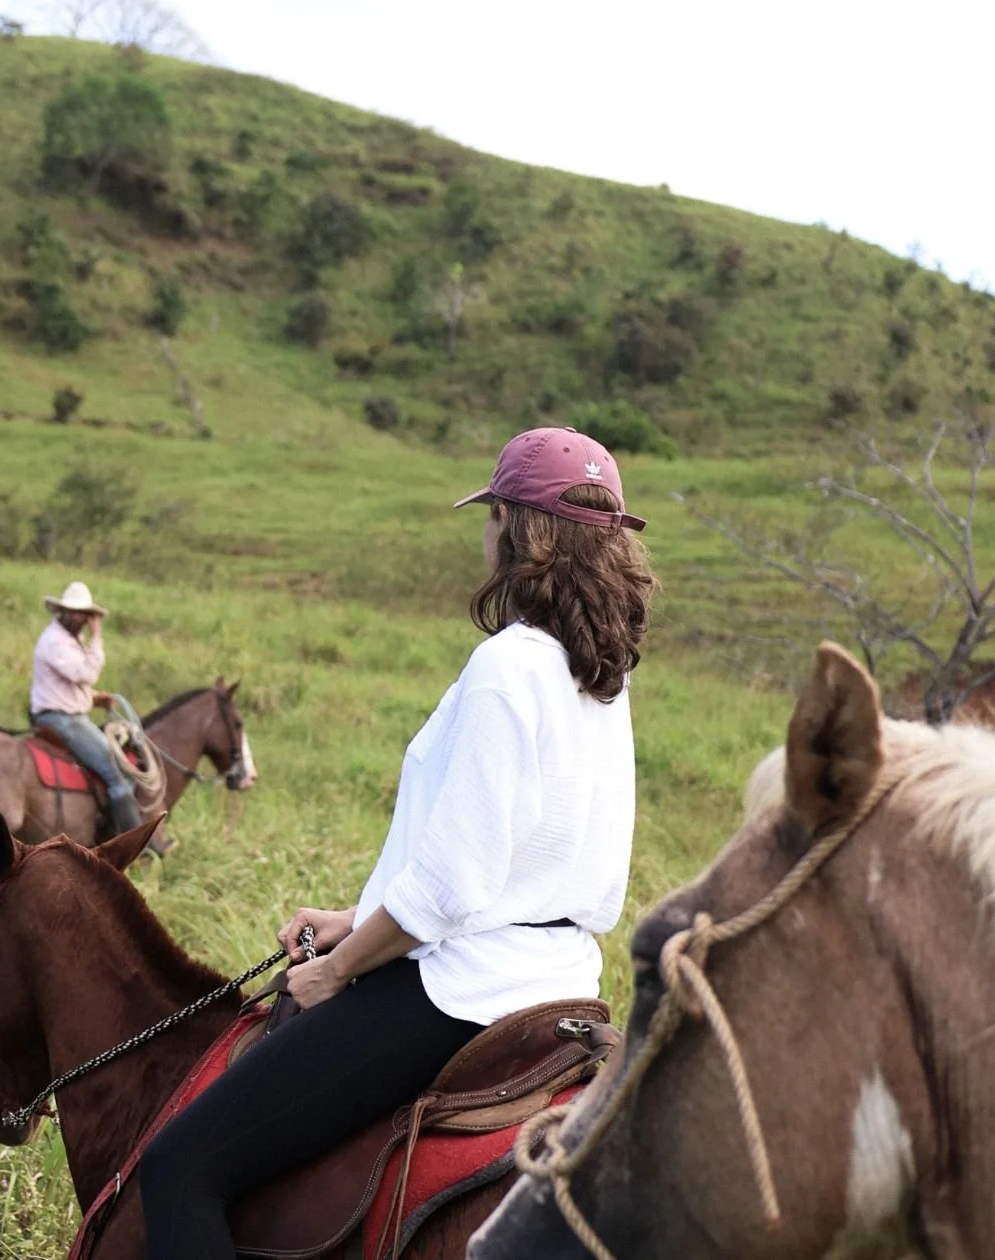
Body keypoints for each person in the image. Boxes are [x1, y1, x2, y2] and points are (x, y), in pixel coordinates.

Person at [136, 427, 656, 1259]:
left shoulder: (507, 666)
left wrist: (338, 968)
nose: (485, 534)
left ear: (515, 528)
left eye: (491, 517)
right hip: (559, 985)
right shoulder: (603, 678)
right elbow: (521, 859)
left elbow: (453, 885)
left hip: (462, 992)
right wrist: (362, 915)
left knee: (178, 1169)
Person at [30, 580, 141, 834]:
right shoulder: (56, 642)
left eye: (81, 613)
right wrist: (97, 636)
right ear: (62, 611)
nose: (76, 617)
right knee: (119, 773)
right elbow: (86, 674)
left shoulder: (71, 640)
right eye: (72, 612)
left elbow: (67, 686)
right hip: (62, 719)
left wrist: (94, 698)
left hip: (66, 714)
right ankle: (132, 841)